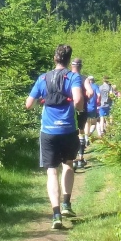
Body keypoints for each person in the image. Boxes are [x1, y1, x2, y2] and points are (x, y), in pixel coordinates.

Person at [25, 44, 82, 229]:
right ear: (69, 60)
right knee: (68, 164)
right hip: (68, 129)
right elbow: (78, 100)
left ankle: (56, 214)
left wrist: (42, 102)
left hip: (48, 131)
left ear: (54, 58)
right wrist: (79, 107)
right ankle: (66, 204)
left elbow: (28, 104)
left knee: (51, 171)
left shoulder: (43, 78)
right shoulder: (73, 77)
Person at [71, 58, 93, 169]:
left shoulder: (67, 76)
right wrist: (86, 98)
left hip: (69, 109)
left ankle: (72, 159)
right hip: (82, 109)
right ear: (81, 67)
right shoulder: (84, 79)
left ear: (71, 66)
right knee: (81, 132)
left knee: (71, 133)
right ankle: (80, 158)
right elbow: (91, 92)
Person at [85, 75, 100, 143]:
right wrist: (99, 102)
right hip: (93, 107)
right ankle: (89, 134)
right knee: (94, 123)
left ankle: (86, 138)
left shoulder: (85, 86)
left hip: (85, 107)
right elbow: (99, 95)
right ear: (93, 80)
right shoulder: (95, 86)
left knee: (87, 123)